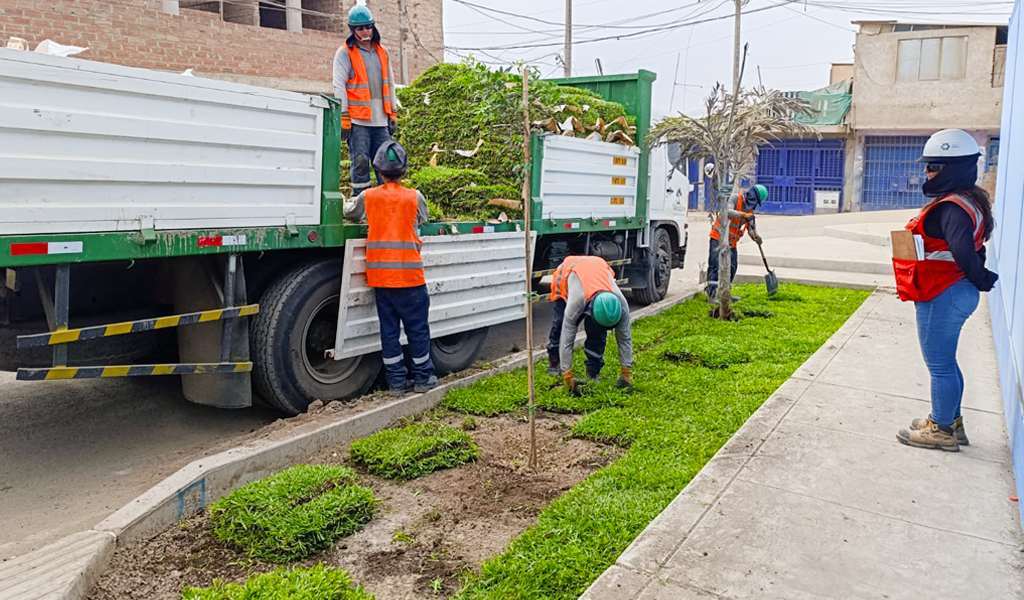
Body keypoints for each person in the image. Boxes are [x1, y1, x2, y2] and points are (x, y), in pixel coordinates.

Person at [895, 129, 998, 452]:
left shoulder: (953, 208)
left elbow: (964, 252)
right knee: (946, 362)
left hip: (944, 293)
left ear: (954, 168)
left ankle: (941, 430)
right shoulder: (969, 200)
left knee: (939, 365)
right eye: (928, 166)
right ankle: (949, 420)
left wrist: (981, 278)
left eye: (935, 167)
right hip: (952, 291)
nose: (927, 172)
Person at [344, 141, 437, 396]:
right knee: (418, 330)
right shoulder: (414, 196)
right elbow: (424, 218)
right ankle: (423, 378)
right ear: (404, 170)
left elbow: (350, 212)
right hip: (411, 279)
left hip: (381, 279)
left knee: (389, 331)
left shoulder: (368, 196)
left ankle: (396, 383)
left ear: (378, 169)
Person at [333, 1, 399, 195]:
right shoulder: (345, 53)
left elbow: (391, 84)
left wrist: (393, 113)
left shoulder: (382, 52)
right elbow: (338, 85)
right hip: (358, 120)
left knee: (386, 163)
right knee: (360, 162)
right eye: (360, 28)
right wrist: (344, 116)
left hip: (380, 121)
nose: (365, 32)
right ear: (353, 30)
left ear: (373, 26)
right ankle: (362, 203)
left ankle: (386, 201)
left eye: (368, 27)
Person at [546, 255, 633, 395]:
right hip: (568, 272)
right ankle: (554, 363)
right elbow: (567, 339)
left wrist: (626, 372)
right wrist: (567, 376)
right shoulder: (576, 301)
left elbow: (625, 339)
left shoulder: (621, 305)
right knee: (559, 324)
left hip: (597, 267)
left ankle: (593, 372)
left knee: (597, 334)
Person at [706, 184, 767, 301]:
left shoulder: (750, 212)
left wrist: (756, 237)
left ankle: (725, 293)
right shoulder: (735, 198)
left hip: (731, 243)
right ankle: (712, 295)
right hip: (718, 237)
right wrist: (744, 215)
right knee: (715, 265)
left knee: (733, 266)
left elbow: (751, 230)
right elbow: (727, 211)